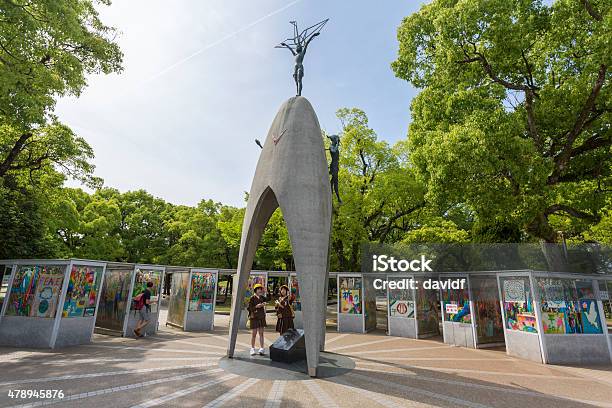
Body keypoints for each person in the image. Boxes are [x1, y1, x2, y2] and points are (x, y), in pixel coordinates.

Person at [247, 283, 268, 356]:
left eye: (260, 289)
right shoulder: (252, 298)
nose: (260, 290)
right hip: (254, 318)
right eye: (258, 289)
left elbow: (269, 299)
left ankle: (262, 348)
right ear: (255, 290)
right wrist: (256, 306)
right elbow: (249, 308)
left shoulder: (262, 297)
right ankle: (252, 348)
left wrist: (266, 291)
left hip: (261, 317)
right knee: (254, 334)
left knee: (261, 333)